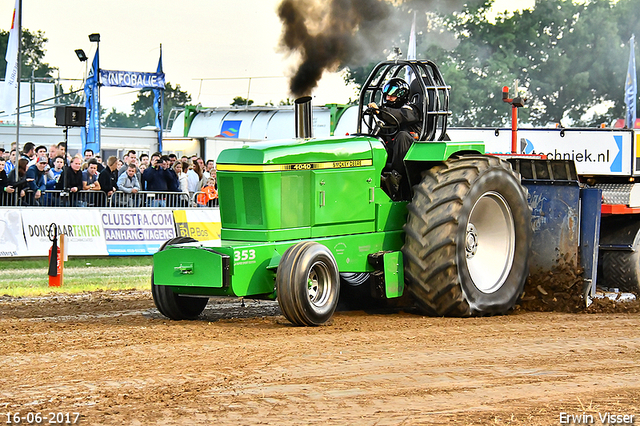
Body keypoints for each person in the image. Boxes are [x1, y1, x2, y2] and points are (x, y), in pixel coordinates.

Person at [367, 77, 420, 200]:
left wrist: (380, 111)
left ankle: (394, 180)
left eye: (392, 96)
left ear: (401, 96)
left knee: (402, 136)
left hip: (412, 150)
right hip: (393, 149)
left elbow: (399, 116)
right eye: (387, 95)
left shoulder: (411, 110)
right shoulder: (388, 113)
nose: (388, 98)